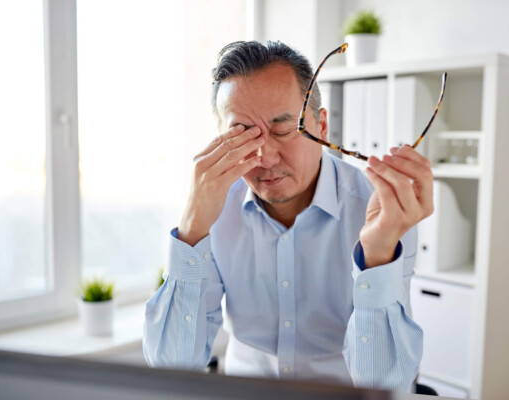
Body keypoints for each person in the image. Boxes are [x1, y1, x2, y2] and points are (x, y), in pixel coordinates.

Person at [143, 40, 433, 392]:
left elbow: (386, 383)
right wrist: (191, 231)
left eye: (282, 129)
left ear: (322, 126)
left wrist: (377, 253)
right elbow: (171, 369)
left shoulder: (382, 212)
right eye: (242, 135)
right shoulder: (213, 208)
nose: (265, 158)